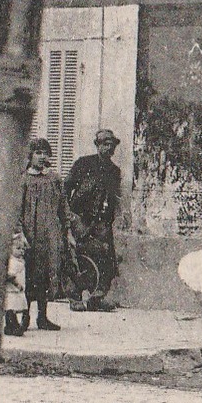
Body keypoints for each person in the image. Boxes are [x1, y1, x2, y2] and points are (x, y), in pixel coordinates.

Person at [67, 129, 123, 312]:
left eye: (112, 145)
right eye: (105, 144)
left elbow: (114, 198)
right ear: (97, 145)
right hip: (80, 218)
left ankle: (96, 298)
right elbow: (66, 189)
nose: (109, 148)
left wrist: (109, 220)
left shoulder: (114, 171)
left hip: (101, 222)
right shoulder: (83, 164)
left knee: (106, 258)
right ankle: (75, 296)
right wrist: (69, 217)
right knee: (80, 256)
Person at [18, 137, 69, 331]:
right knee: (28, 275)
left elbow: (63, 208)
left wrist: (67, 232)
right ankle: (25, 317)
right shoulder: (23, 179)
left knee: (46, 275)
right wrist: (20, 234)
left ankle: (43, 316)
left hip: (49, 236)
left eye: (45, 153)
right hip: (30, 236)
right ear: (30, 156)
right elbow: (16, 210)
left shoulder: (54, 179)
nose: (41, 157)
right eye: (38, 153)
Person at [4, 231, 29, 337]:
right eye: (18, 249)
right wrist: (17, 284)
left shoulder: (19, 261)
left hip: (17, 291)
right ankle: (13, 326)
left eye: (23, 249)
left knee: (13, 309)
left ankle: (10, 326)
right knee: (11, 309)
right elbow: (10, 275)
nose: (21, 251)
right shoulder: (13, 262)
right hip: (13, 290)